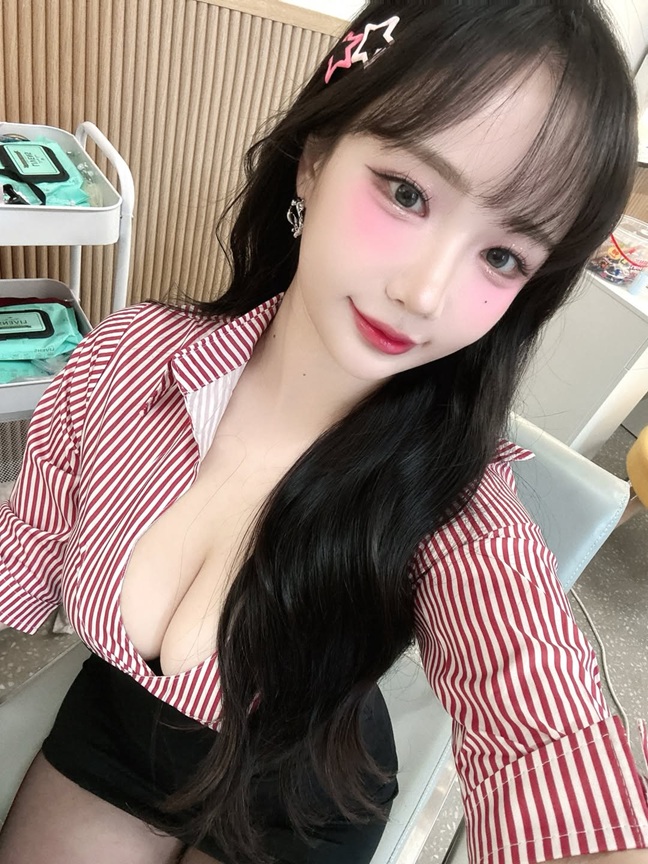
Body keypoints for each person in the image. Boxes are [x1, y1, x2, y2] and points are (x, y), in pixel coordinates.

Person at [0, 1, 647, 862]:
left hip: (308, 797)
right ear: (313, 160)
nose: (424, 294)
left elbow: (538, 727)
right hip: (124, 726)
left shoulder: (457, 509)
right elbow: (28, 547)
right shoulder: (125, 359)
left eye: (502, 256)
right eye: (408, 192)